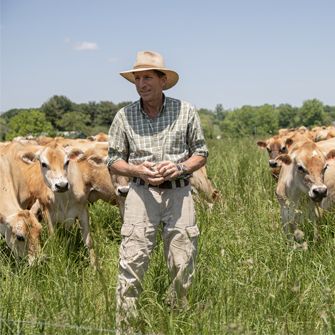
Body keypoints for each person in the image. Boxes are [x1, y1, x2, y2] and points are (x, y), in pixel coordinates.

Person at [107, 50, 208, 328]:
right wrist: (137, 170)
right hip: (141, 194)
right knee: (132, 261)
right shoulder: (124, 116)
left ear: (163, 80)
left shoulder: (185, 111)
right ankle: (126, 327)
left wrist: (181, 168)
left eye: (148, 77)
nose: (142, 84)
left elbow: (200, 152)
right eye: (137, 78)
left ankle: (177, 322)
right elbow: (114, 160)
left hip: (179, 193)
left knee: (182, 260)